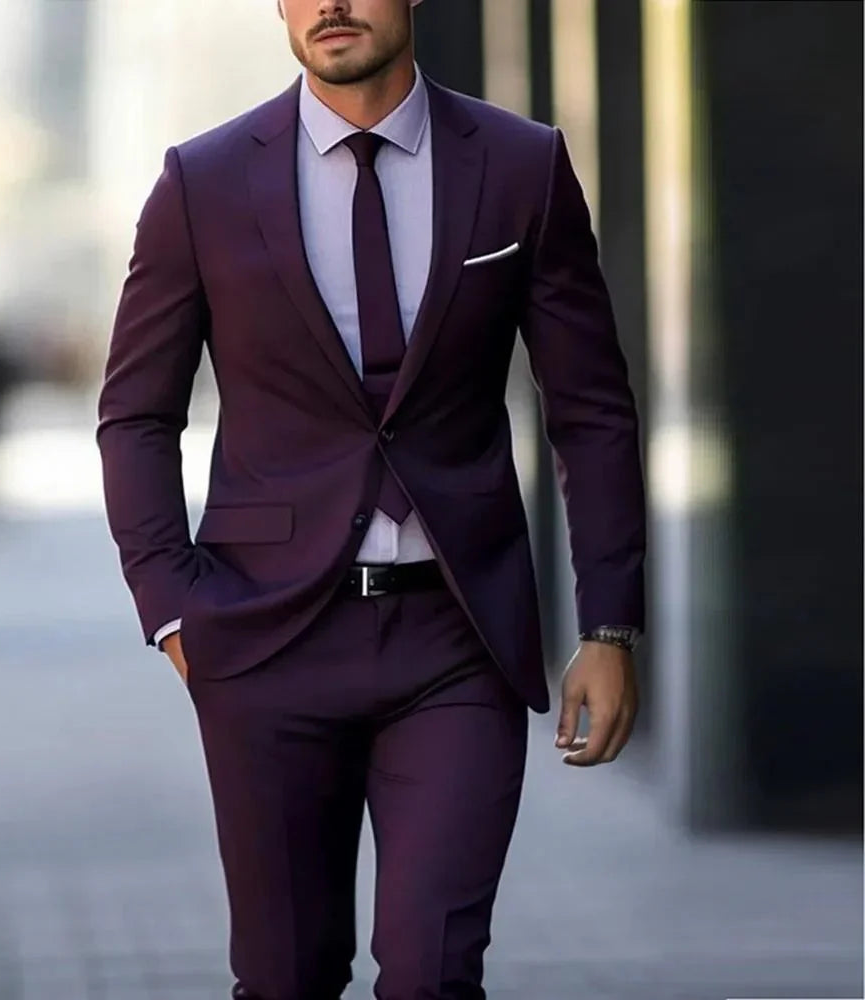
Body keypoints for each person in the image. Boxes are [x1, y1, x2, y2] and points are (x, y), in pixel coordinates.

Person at [96, 1, 646, 996]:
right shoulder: (203, 182)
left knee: (435, 971)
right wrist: (172, 608)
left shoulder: (520, 165)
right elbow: (135, 414)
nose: (332, 3)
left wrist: (610, 625)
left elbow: (592, 408)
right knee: (285, 973)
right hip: (265, 634)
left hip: (456, 635)